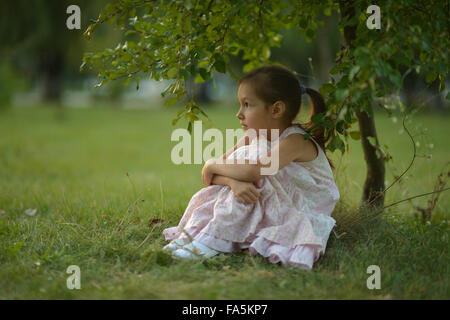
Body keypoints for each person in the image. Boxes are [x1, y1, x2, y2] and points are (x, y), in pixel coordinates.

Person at [162, 65, 340, 270]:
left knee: (251, 165)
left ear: (276, 109)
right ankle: (201, 232)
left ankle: (213, 241)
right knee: (241, 166)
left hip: (300, 206)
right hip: (267, 197)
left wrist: (211, 163)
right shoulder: (253, 136)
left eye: (247, 104)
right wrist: (232, 181)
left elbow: (249, 171)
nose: (239, 113)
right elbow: (210, 175)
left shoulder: (295, 141)